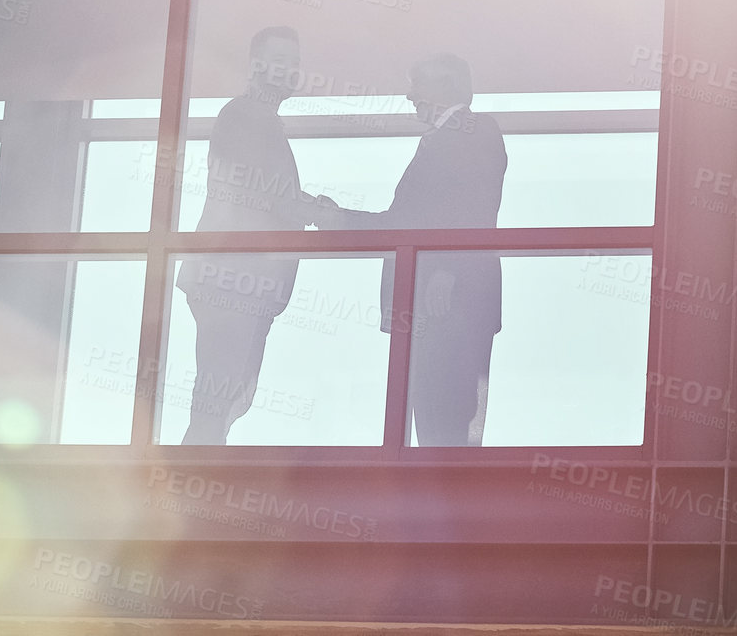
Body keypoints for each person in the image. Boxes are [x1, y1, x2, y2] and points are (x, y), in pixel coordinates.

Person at [317, 53, 506, 446]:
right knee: (434, 424)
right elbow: (402, 222)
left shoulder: (476, 130)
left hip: (454, 301)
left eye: (416, 84)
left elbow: (477, 204)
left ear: (446, 86)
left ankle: (450, 499)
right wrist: (340, 220)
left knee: (449, 422)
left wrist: (448, 269)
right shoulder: (444, 138)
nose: (409, 95)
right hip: (430, 303)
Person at [175, 26, 332, 444]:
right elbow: (256, 188)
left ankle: (199, 480)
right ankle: (193, 484)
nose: (290, 70)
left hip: (245, 282)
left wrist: (307, 207)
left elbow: (266, 190)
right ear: (255, 66)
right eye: (280, 60)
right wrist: (312, 210)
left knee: (230, 396)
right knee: (219, 395)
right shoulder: (243, 115)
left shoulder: (261, 119)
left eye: (295, 62)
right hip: (230, 278)